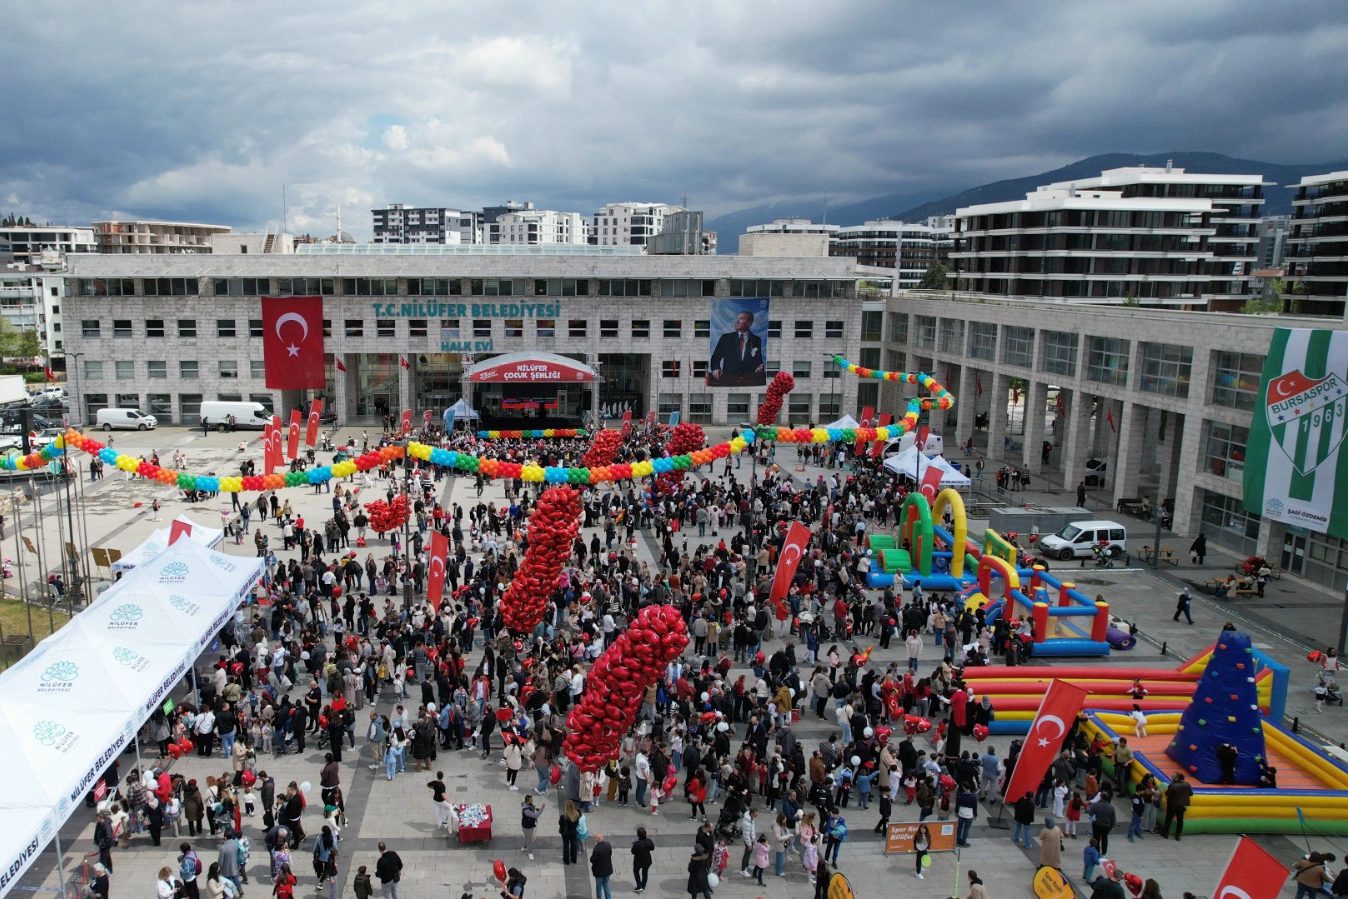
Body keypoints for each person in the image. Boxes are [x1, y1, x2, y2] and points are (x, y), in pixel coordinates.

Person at [708, 310, 765, 387]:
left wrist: (760, 366)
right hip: (728, 381)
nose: (737, 321)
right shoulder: (726, 338)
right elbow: (716, 357)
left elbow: (758, 360)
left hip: (748, 382)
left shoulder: (756, 340)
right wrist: (716, 368)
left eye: (741, 318)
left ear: (749, 323)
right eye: (737, 318)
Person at [1161, 772, 1193, 841]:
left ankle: (1165, 833)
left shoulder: (1172, 785)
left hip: (1172, 805)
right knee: (1180, 820)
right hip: (1182, 805)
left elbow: (1167, 794)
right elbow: (1191, 794)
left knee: (1168, 819)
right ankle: (1178, 835)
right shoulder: (1187, 784)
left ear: (1177, 778)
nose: (1171, 777)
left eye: (1173, 776)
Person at [630, 826, 655, 894]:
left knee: (636, 872)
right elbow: (652, 848)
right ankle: (643, 887)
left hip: (638, 861)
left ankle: (639, 885)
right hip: (647, 860)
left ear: (638, 835)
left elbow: (633, 852)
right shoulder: (649, 841)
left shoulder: (637, 844)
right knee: (645, 873)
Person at [590, 833, 614, 899]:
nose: (595, 839)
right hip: (608, 870)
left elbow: (593, 860)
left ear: (597, 840)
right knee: (606, 885)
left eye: (595, 838)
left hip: (599, 872)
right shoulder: (608, 845)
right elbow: (610, 853)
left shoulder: (597, 849)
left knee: (599, 887)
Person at [521, 795, 544, 861]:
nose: (532, 801)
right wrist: (542, 808)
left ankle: (524, 847)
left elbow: (532, 807)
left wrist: (536, 809)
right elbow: (535, 815)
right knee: (530, 840)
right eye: (531, 800)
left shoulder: (528, 805)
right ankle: (530, 853)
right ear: (527, 802)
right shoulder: (526, 811)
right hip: (527, 827)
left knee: (528, 838)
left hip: (528, 825)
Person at [560, 800, 581, 865]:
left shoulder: (563, 816)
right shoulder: (576, 814)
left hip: (566, 832)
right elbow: (577, 823)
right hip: (573, 832)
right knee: (574, 845)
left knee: (566, 845)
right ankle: (574, 859)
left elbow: (561, 824)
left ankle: (566, 860)